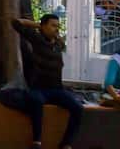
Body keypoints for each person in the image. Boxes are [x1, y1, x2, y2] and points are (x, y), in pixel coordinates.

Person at [9, 14, 83, 149]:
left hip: (57, 90)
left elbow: (60, 45)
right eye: (53, 25)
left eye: (58, 26)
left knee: (78, 108)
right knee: (36, 102)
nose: (57, 29)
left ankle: (66, 144)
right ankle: (37, 142)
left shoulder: (58, 44)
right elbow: (15, 22)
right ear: (43, 26)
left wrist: (54, 34)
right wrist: (38, 25)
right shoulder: (37, 39)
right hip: (39, 89)